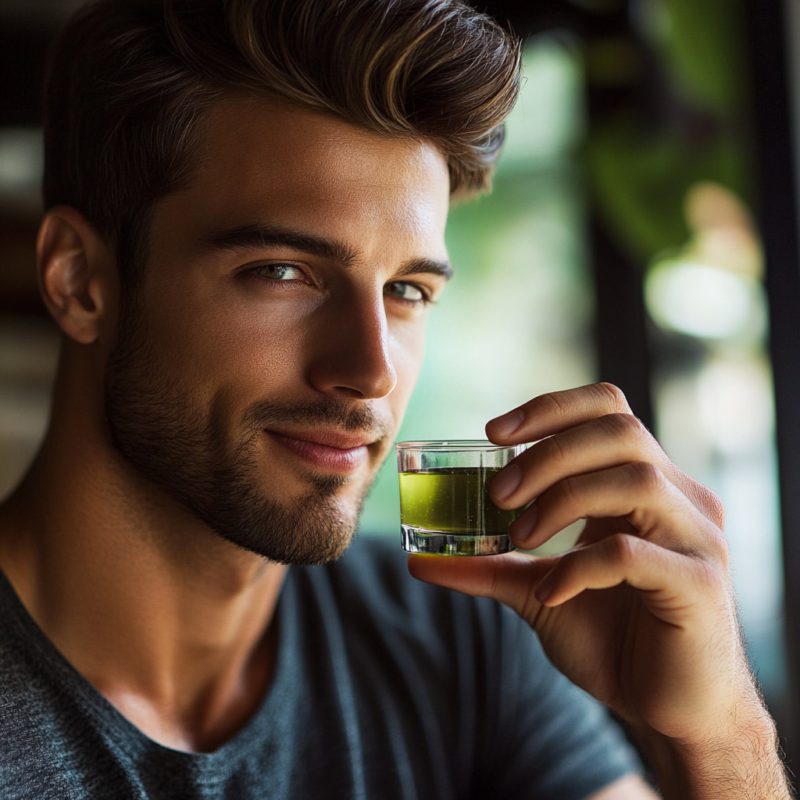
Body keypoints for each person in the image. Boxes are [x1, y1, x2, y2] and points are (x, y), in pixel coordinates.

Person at [0, 0, 790, 797]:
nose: (372, 372)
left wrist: (716, 734)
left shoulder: (465, 648)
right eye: (283, 271)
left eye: (408, 290)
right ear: (79, 279)